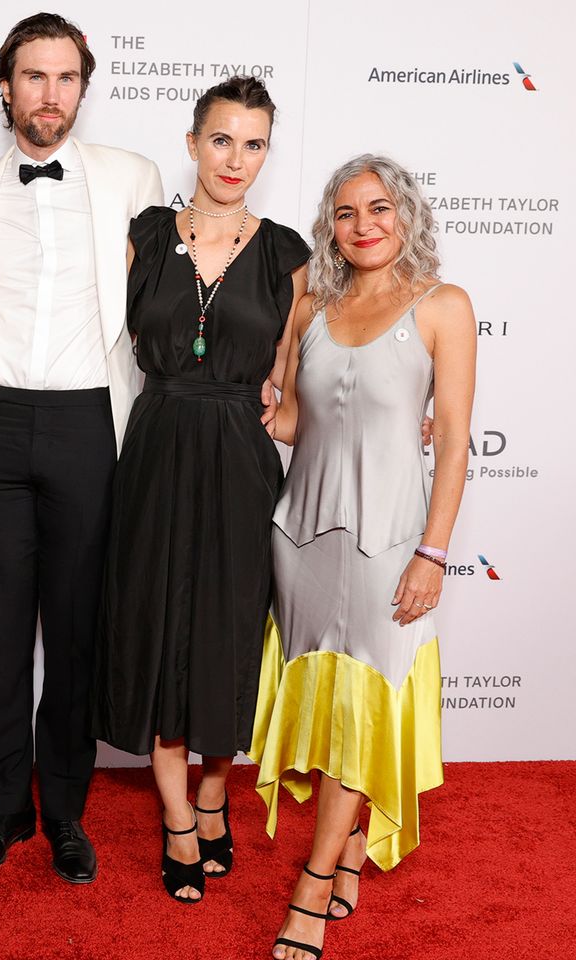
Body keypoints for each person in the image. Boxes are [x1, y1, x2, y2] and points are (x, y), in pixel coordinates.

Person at [0, 13, 163, 885]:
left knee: (72, 631)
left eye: (66, 77)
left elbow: (187, 288)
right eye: (33, 77)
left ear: (83, 86)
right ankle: (4, 811)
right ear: (6, 87)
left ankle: (66, 811)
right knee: (3, 631)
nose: (50, 94)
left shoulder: (134, 179)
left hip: (89, 421)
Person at [90, 77, 309, 904]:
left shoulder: (289, 254)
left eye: (254, 144)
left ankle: (215, 792)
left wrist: (412, 417)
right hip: (155, 446)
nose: (236, 160)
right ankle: (178, 815)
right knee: (156, 627)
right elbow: (72, 321)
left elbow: (301, 380)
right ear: (192, 143)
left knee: (226, 627)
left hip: (242, 462)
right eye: (222, 140)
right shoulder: (143, 233)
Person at [252, 154, 475, 960]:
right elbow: (285, 422)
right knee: (322, 701)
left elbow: (450, 440)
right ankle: (345, 846)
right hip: (300, 537)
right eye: (347, 214)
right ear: (331, 228)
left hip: (390, 543)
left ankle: (312, 883)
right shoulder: (308, 301)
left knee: (365, 704)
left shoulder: (443, 306)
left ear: (406, 214)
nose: (365, 224)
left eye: (380, 208)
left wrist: (434, 552)